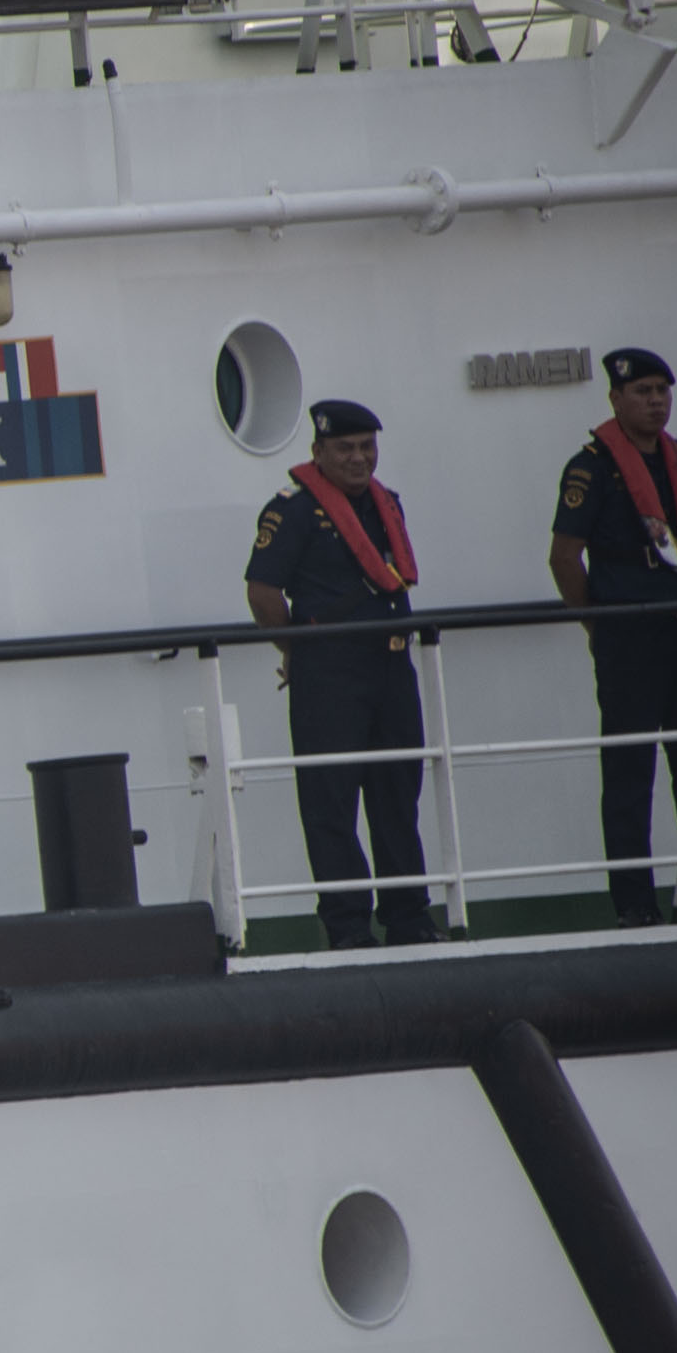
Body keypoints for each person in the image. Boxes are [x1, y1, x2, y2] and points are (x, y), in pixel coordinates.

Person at [242, 401, 436, 947]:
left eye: (367, 447)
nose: (358, 457)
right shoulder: (294, 511)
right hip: (329, 676)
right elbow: (263, 592)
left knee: (398, 795)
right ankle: (349, 927)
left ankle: (410, 918)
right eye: (346, 448)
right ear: (318, 452)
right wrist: (297, 648)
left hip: (392, 668)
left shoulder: (387, 504)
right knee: (331, 803)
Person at [550, 349, 677, 924]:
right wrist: (595, 622)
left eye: (662, 391)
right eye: (643, 391)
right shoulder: (591, 468)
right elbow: (565, 556)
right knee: (629, 772)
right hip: (627, 631)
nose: (655, 401)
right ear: (616, 399)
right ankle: (634, 903)